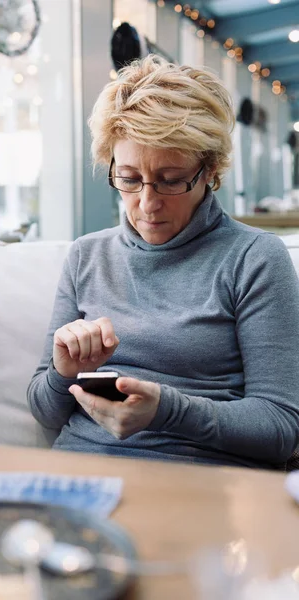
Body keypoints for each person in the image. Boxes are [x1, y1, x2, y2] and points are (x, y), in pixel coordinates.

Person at [28, 55, 299, 469]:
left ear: (209, 170)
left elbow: (280, 428)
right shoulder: (87, 255)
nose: (148, 203)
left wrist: (166, 411)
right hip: (81, 473)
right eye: (131, 179)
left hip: (201, 484)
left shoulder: (254, 258)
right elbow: (46, 412)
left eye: (171, 179)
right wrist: (62, 372)